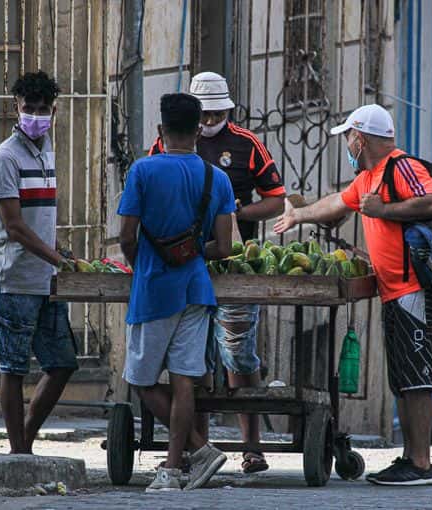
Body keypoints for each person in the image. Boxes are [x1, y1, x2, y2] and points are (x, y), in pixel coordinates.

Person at [274, 104, 432, 486]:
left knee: (416, 378)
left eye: (349, 138)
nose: (348, 145)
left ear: (360, 137)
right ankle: (409, 459)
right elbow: (338, 202)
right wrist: (299, 216)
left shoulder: (402, 167)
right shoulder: (369, 177)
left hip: (413, 290)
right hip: (394, 291)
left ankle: (420, 464)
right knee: (403, 377)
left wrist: (386, 208)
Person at [149, 71, 285, 474]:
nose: (208, 122)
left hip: (233, 263)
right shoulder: (167, 143)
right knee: (195, 360)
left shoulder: (247, 145)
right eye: (203, 116)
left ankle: (252, 447)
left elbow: (276, 201)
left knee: (240, 356)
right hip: (185, 263)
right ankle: (199, 447)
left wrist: (234, 213)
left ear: (228, 111)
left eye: (215, 115)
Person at [118, 93, 236, 491]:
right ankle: (173, 468)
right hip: (197, 289)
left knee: (142, 378)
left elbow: (127, 237)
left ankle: (200, 449)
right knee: (186, 378)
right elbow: (224, 248)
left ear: (160, 130)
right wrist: (189, 252)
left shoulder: (142, 171)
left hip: (153, 288)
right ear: (199, 131)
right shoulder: (215, 178)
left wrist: (150, 263)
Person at [0, 71, 79, 455]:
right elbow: (15, 227)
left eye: (42, 110)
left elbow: (39, 217)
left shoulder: (46, 148)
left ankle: (26, 440)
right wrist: (56, 258)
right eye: (29, 109)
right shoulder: (6, 157)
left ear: (53, 111)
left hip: (47, 280)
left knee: (63, 364)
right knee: (14, 368)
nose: (36, 116)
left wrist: (60, 252)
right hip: (15, 280)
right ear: (16, 109)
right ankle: (18, 450)